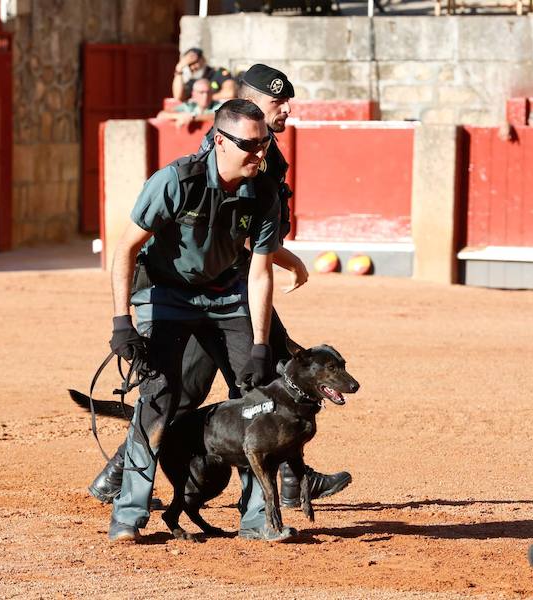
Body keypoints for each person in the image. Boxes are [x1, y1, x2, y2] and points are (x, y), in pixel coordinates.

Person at [89, 64, 352, 513]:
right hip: (193, 291)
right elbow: (218, 233)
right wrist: (281, 258)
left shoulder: (268, 158)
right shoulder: (219, 153)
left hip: (234, 282)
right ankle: (119, 476)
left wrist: (276, 256)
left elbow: (251, 234)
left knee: (269, 373)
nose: (286, 110)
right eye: (276, 103)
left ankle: (289, 477)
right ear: (248, 107)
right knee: (192, 390)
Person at [103, 99, 293, 543]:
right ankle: (128, 515)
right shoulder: (175, 180)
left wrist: (262, 344)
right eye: (250, 145)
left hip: (228, 294)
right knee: (158, 397)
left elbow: (260, 270)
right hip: (168, 294)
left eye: (264, 143)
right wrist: (121, 322)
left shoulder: (263, 190)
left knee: (258, 397)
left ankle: (259, 518)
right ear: (220, 141)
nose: (260, 154)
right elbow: (126, 249)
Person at [155, 78, 221, 128]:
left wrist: (193, 118)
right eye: (201, 92)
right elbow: (161, 115)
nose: (205, 96)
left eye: (208, 92)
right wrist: (178, 116)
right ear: (194, 94)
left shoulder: (218, 105)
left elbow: (219, 116)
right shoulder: (189, 106)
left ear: (212, 93)